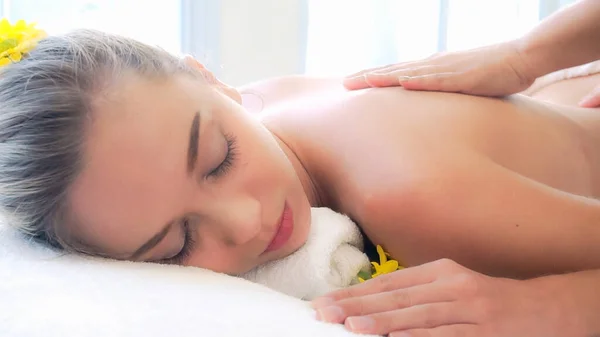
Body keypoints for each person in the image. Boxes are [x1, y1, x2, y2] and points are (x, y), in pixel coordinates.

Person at [0, 28, 598, 337]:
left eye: (217, 160)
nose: (245, 222)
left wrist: (540, 306)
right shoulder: (265, 102)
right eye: (175, 246)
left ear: (209, 79)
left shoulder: (411, 199)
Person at [310, 0, 600, 336]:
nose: (246, 222)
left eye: (230, 158)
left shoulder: (410, 190)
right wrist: (523, 56)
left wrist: (559, 304)